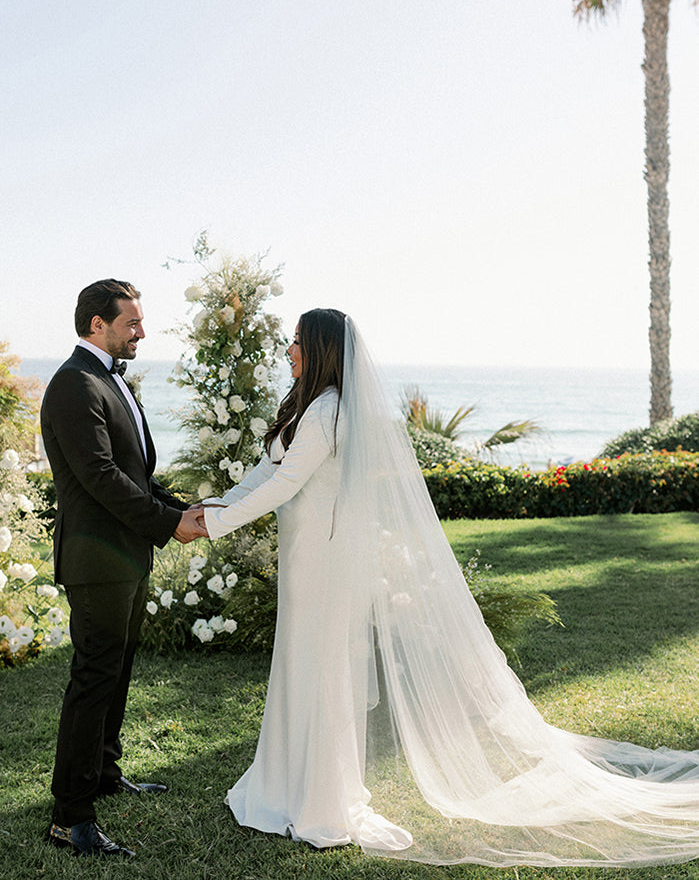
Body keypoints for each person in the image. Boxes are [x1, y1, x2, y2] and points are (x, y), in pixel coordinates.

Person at [197, 309, 699, 867]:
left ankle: (321, 799)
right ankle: (286, 783)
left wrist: (211, 522)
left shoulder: (327, 411)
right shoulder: (306, 407)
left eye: (295, 341)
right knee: (299, 665)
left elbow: (286, 483)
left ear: (319, 348)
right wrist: (204, 510)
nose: (288, 349)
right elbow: (266, 475)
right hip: (304, 559)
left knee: (321, 671)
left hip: (325, 563)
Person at [41, 278, 207, 859]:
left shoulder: (110, 381)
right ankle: (70, 816)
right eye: (131, 323)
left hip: (127, 557)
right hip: (96, 563)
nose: (141, 332)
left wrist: (178, 507)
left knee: (116, 672)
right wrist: (168, 524)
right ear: (97, 325)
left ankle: (106, 775)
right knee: (93, 680)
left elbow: (134, 475)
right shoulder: (73, 385)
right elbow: (100, 479)